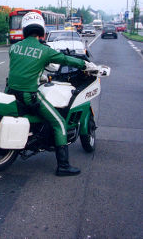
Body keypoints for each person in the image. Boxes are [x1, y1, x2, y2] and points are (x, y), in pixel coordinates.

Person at [6, 12, 95, 177]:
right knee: (59, 122)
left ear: (24, 29)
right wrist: (84, 64)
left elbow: (21, 69)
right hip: (28, 95)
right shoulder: (44, 50)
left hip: (10, 93)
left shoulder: (14, 47)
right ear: (41, 30)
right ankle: (63, 165)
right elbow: (65, 59)